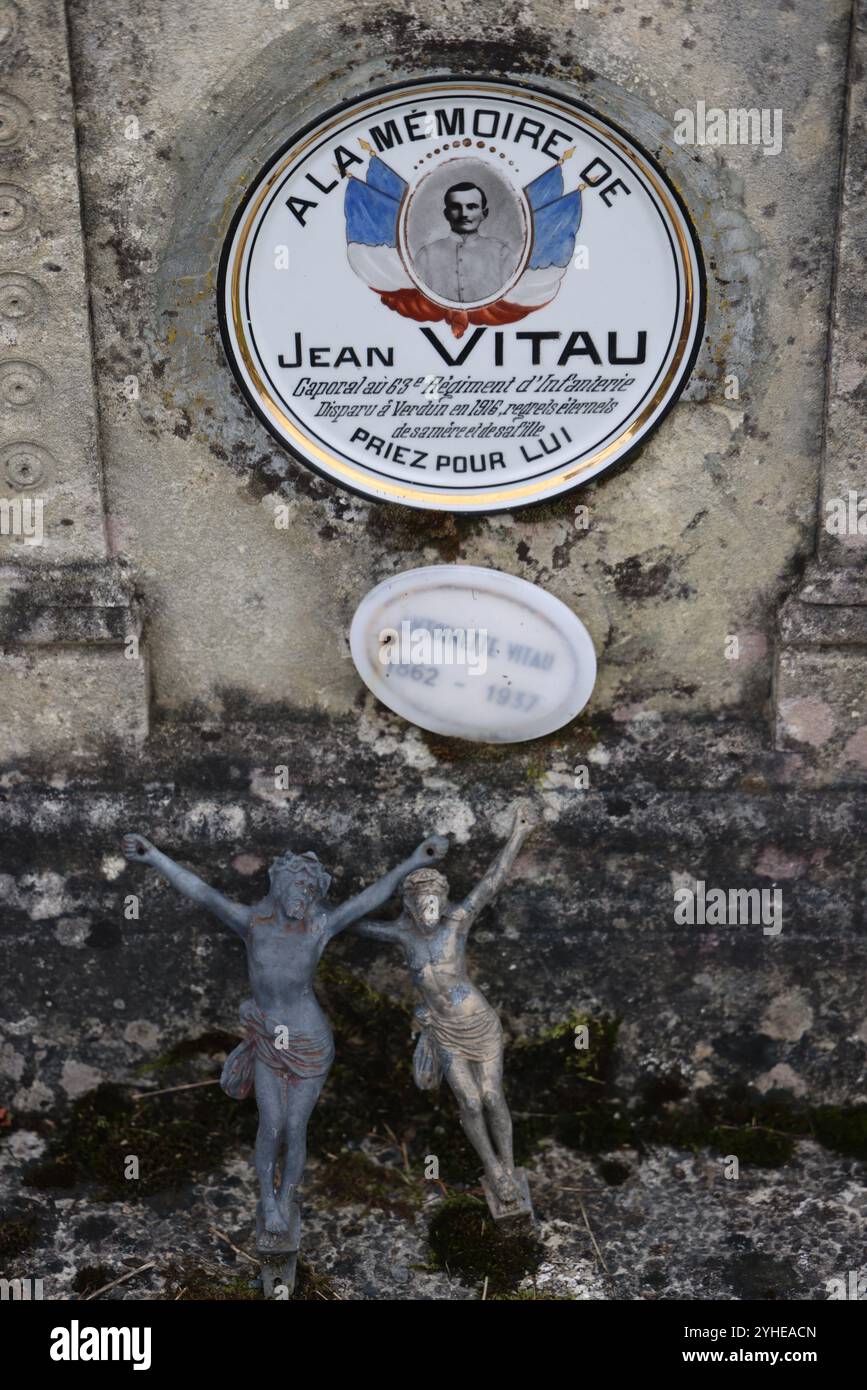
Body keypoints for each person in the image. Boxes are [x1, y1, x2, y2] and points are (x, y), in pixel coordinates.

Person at [121, 829, 448, 1237]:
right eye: (298, 884)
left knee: (295, 1128)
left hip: (309, 1042)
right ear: (278, 885)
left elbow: (369, 897)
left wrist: (416, 860)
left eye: (312, 888)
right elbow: (202, 893)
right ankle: (268, 1200)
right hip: (268, 1040)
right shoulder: (252, 923)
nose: (305, 894)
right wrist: (154, 856)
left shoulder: (319, 927)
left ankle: (288, 1196)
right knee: (270, 1124)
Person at [351, 804, 534, 1210]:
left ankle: (509, 1164)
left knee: (490, 1096)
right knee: (468, 1102)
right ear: (412, 907)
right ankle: (495, 1172)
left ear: (442, 902)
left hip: (478, 1023)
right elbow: (351, 921)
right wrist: (316, 914)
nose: (430, 914)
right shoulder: (402, 935)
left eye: (435, 904)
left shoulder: (458, 922)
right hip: (444, 1031)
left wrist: (518, 833)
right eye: (422, 906)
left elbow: (492, 882)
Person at [415, 182, 515, 303]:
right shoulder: (426, 254)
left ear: (484, 213)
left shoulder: (502, 253)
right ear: (446, 214)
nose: (464, 214)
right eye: (456, 207)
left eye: (471, 207)